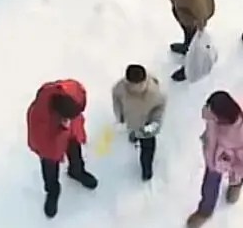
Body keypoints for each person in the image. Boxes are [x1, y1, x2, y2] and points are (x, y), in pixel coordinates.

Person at [25, 80, 96, 216]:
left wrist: (74, 129)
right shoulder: (40, 118)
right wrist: (61, 131)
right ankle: (52, 190)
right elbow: (42, 142)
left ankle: (77, 171)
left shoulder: (72, 96)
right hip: (50, 142)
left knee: (76, 153)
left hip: (71, 134)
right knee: (50, 167)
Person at [187, 93, 243, 223]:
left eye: (214, 117)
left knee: (237, 178)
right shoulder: (214, 112)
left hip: (232, 162)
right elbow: (208, 118)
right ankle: (205, 212)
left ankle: (236, 186)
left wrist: (236, 174)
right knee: (209, 187)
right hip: (214, 160)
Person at [156, 0, 215, 81]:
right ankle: (187, 45)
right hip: (183, 11)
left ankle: (190, 66)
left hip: (193, 18)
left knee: (194, 41)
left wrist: (200, 23)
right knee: (188, 36)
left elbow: (200, 6)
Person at [111, 65, 165, 182]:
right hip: (132, 122)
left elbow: (159, 109)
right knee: (134, 131)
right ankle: (134, 135)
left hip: (147, 126)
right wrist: (120, 117)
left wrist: (153, 126)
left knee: (147, 150)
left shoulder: (154, 93)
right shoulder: (120, 88)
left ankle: (147, 170)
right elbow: (117, 102)